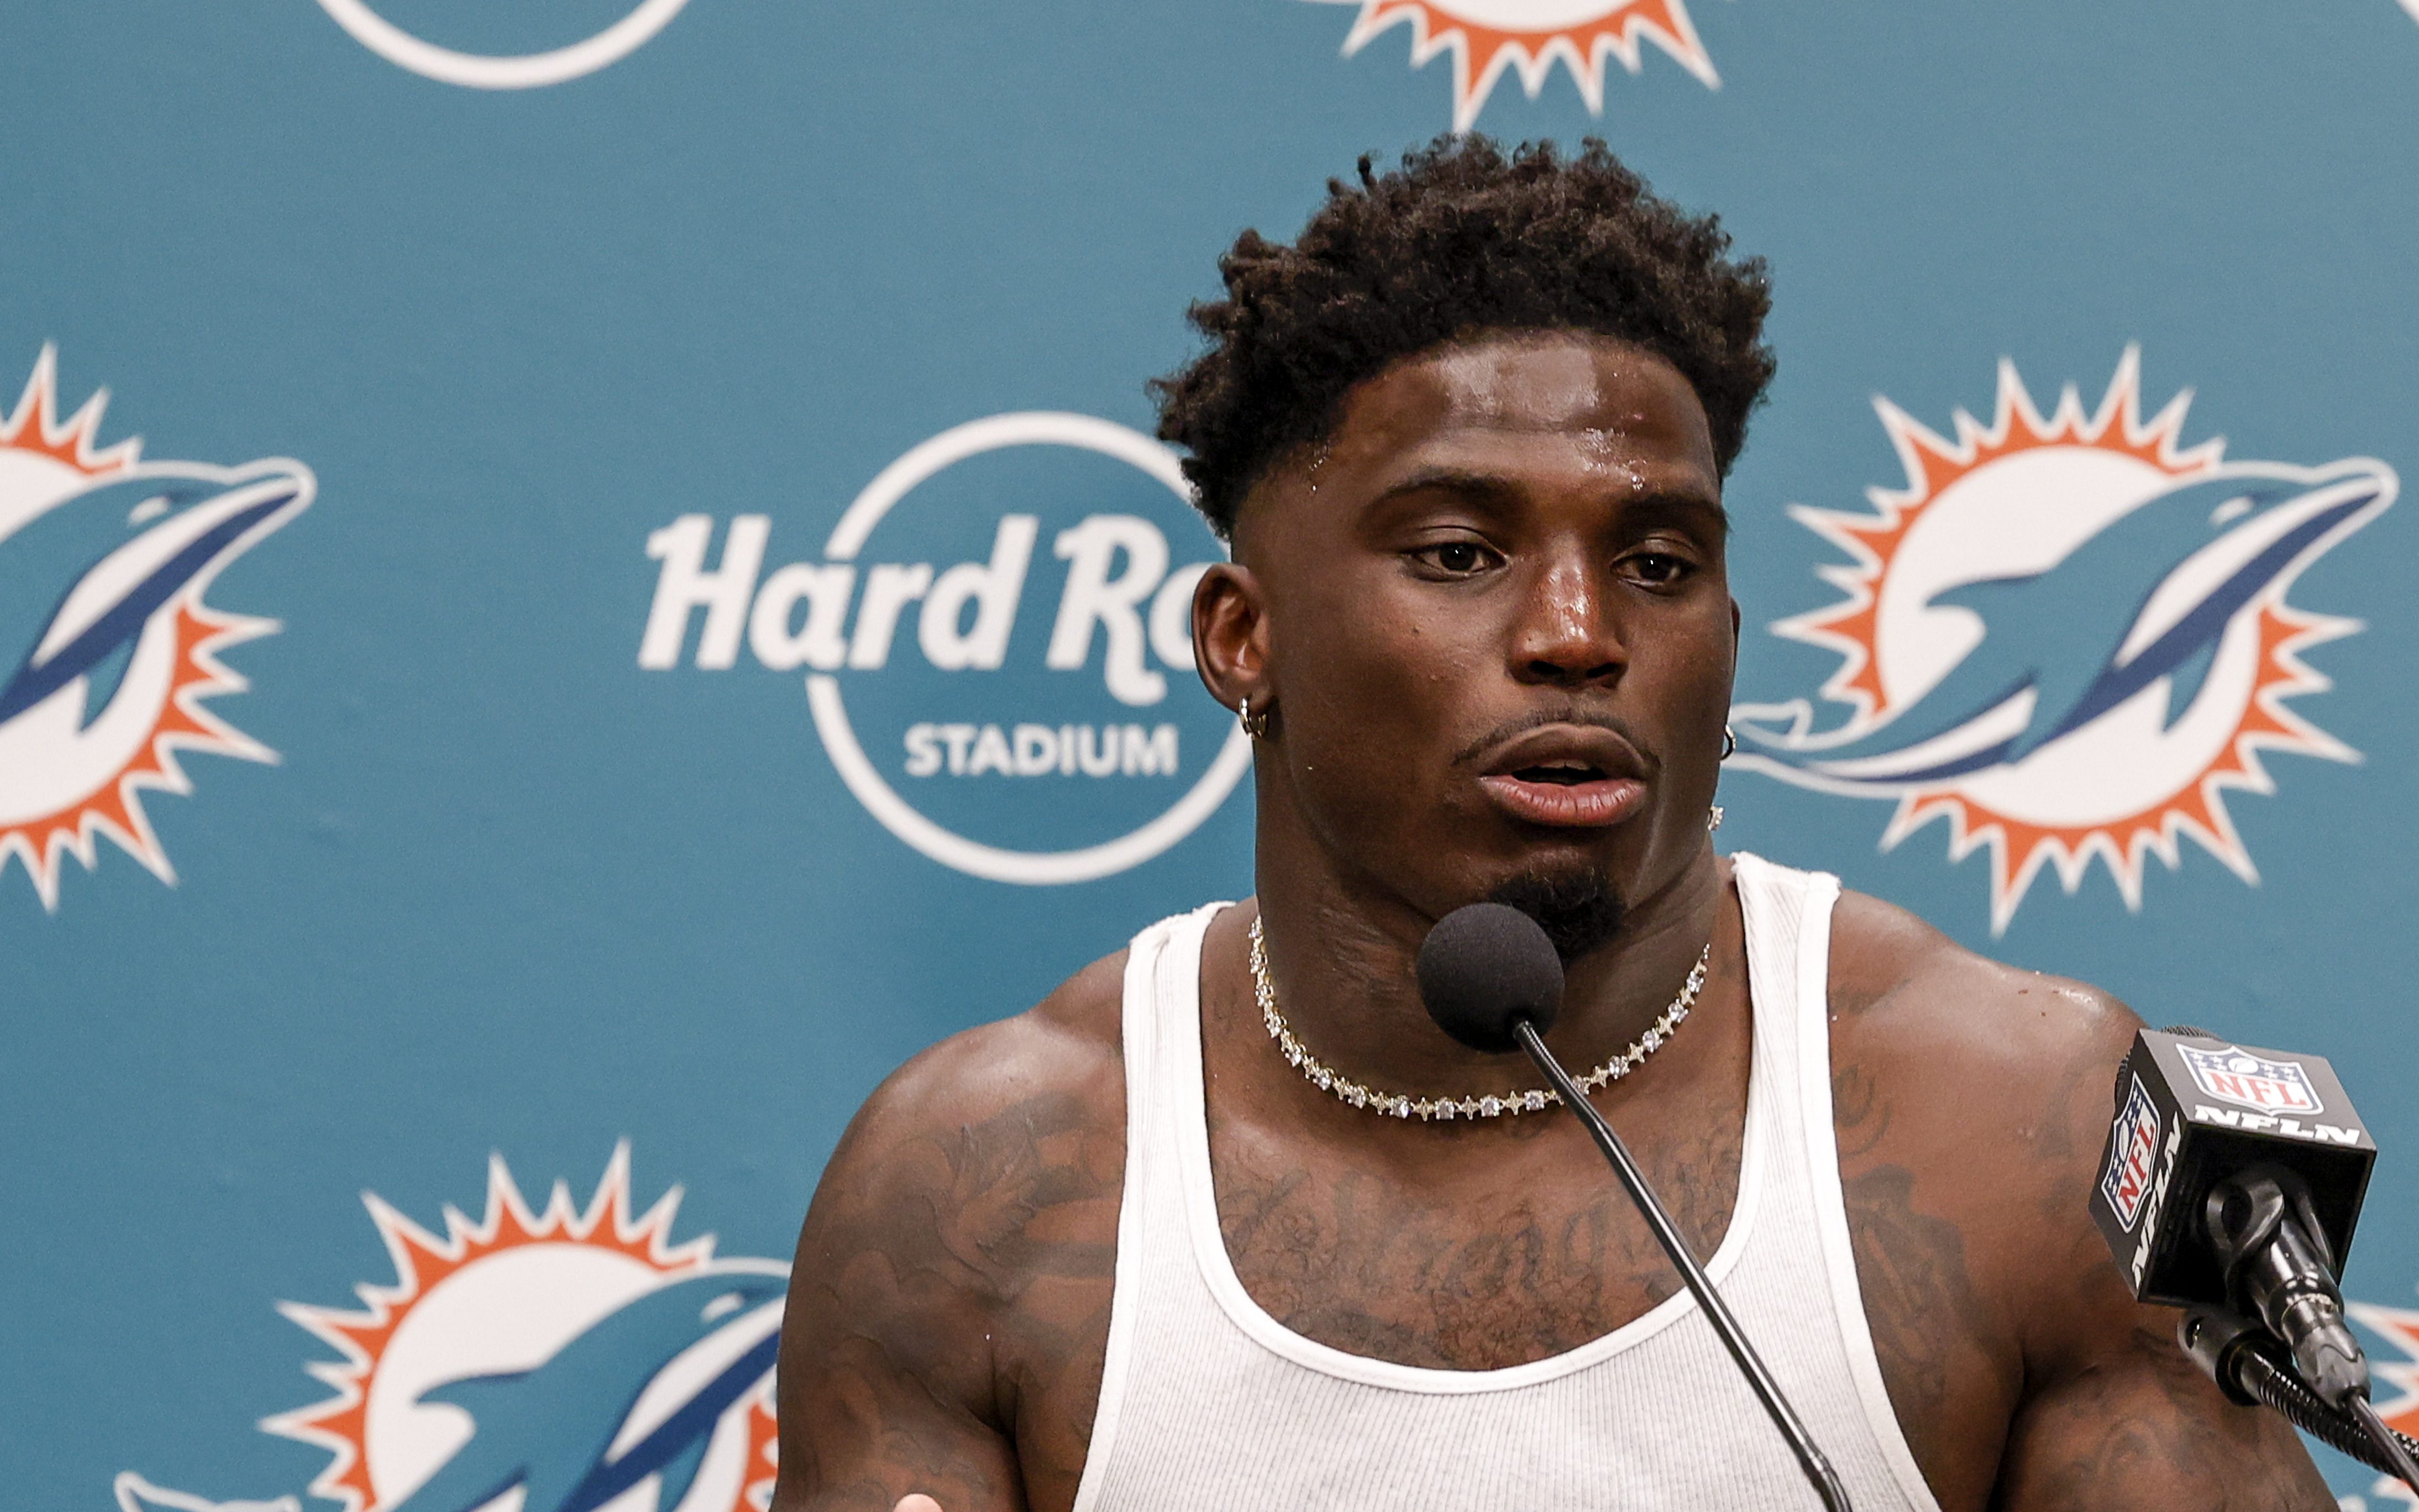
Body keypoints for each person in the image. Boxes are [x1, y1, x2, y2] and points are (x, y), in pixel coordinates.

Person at [773, 137, 2334, 1512]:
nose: (1580, 635)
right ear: (1244, 638)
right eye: (1460, 554)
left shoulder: (2024, 1130)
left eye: (1659, 564)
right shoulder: (977, 1192)